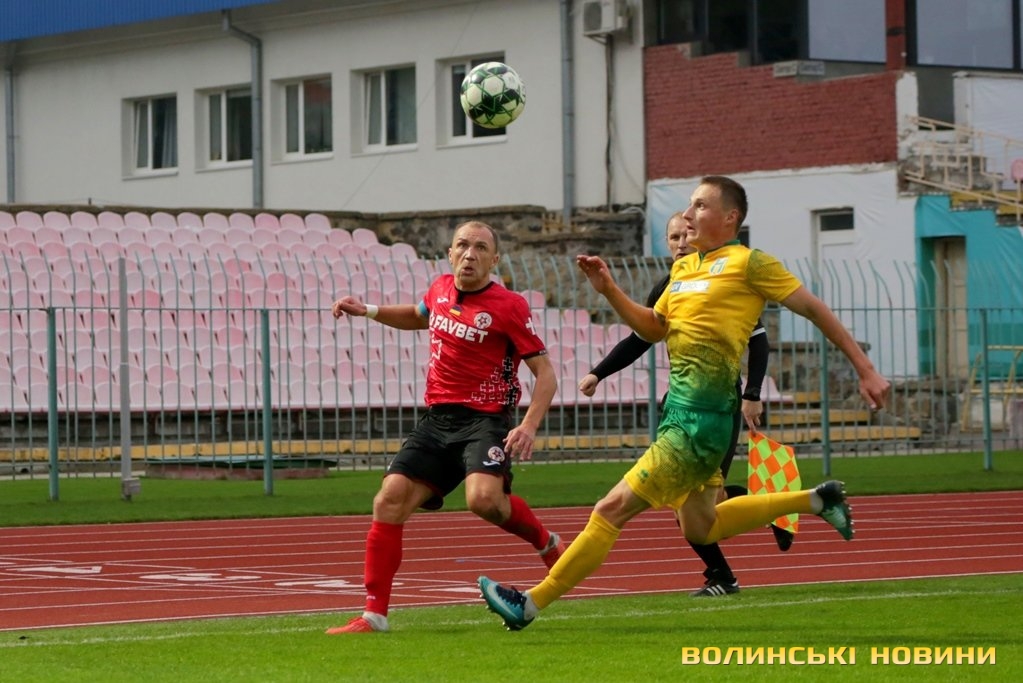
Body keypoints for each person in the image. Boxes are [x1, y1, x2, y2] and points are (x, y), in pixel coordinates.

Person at [478, 175, 891, 630]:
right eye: (689, 206)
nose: (688, 215)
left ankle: (529, 604)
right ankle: (816, 500)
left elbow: (814, 309)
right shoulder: (683, 269)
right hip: (679, 413)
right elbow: (654, 329)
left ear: (730, 217)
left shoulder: (749, 263)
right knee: (701, 527)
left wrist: (865, 369)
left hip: (701, 423)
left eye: (700, 206)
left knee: (609, 510)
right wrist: (609, 289)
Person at [327, 220, 565, 634]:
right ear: (450, 253)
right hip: (437, 421)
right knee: (389, 498)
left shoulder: (509, 306)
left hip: (485, 421)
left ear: (494, 259)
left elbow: (545, 374)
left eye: (480, 248)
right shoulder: (439, 289)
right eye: (462, 245)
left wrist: (528, 425)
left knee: (484, 501)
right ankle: (374, 615)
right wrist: (369, 310)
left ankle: (547, 543)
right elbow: (419, 316)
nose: (470, 254)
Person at [577, 211, 791, 598]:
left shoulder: (723, 280)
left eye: (685, 235)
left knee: (690, 504)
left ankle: (723, 574)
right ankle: (768, 512)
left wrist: (752, 393)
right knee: (703, 503)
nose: (679, 243)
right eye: (672, 237)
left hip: (719, 409)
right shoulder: (669, 285)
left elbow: (758, 341)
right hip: (681, 408)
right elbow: (641, 338)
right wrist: (599, 373)